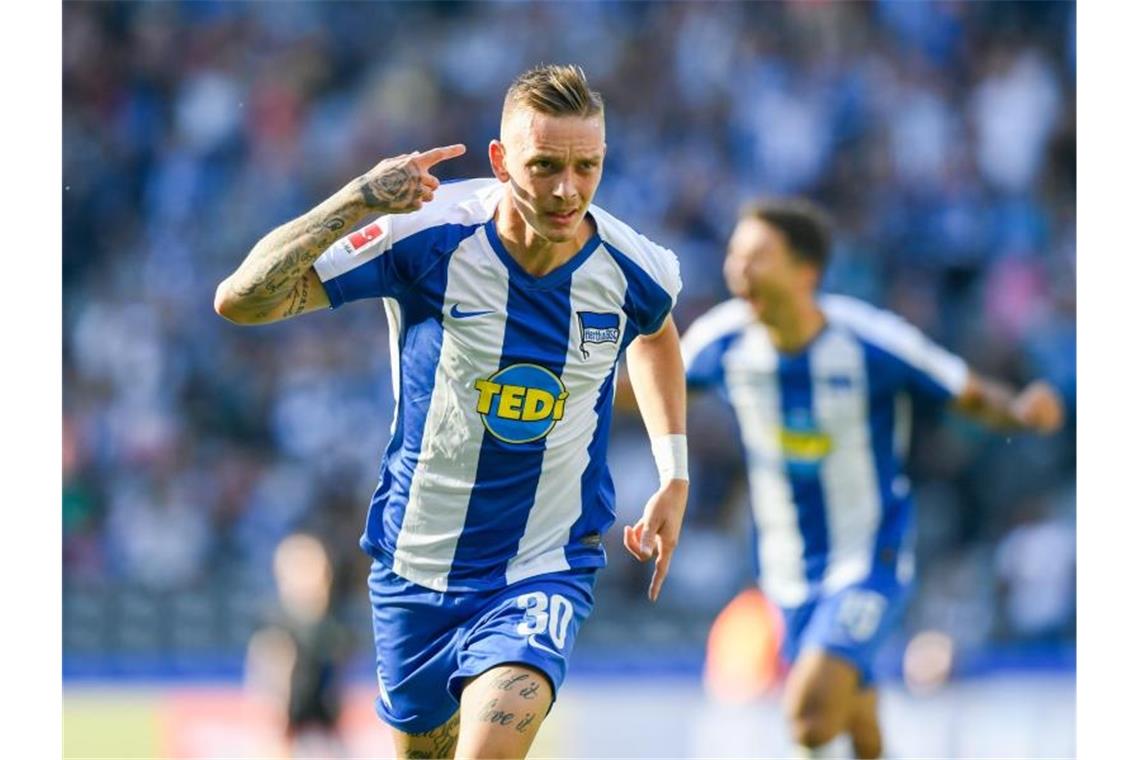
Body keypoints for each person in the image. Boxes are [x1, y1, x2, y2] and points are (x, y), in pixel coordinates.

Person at [215, 64, 689, 759]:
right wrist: (357, 199)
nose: (568, 188)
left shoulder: (630, 265)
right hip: (416, 566)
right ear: (500, 162)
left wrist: (672, 472)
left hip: (542, 564)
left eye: (587, 166)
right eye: (545, 165)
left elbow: (655, 332)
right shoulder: (428, 236)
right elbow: (241, 300)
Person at [678, 198, 1064, 759]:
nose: (739, 271)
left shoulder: (870, 341)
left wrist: (1025, 411)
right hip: (783, 564)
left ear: (805, 271)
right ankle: (860, 699)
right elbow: (651, 394)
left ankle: (850, 690)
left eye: (758, 257)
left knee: (808, 718)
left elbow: (968, 392)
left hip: (867, 557)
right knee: (845, 706)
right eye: (735, 257)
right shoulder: (723, 340)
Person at [245, 532, 352, 758]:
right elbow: (269, 687)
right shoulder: (276, 624)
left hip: (325, 732)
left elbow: (337, 685)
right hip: (288, 733)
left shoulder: (332, 625)